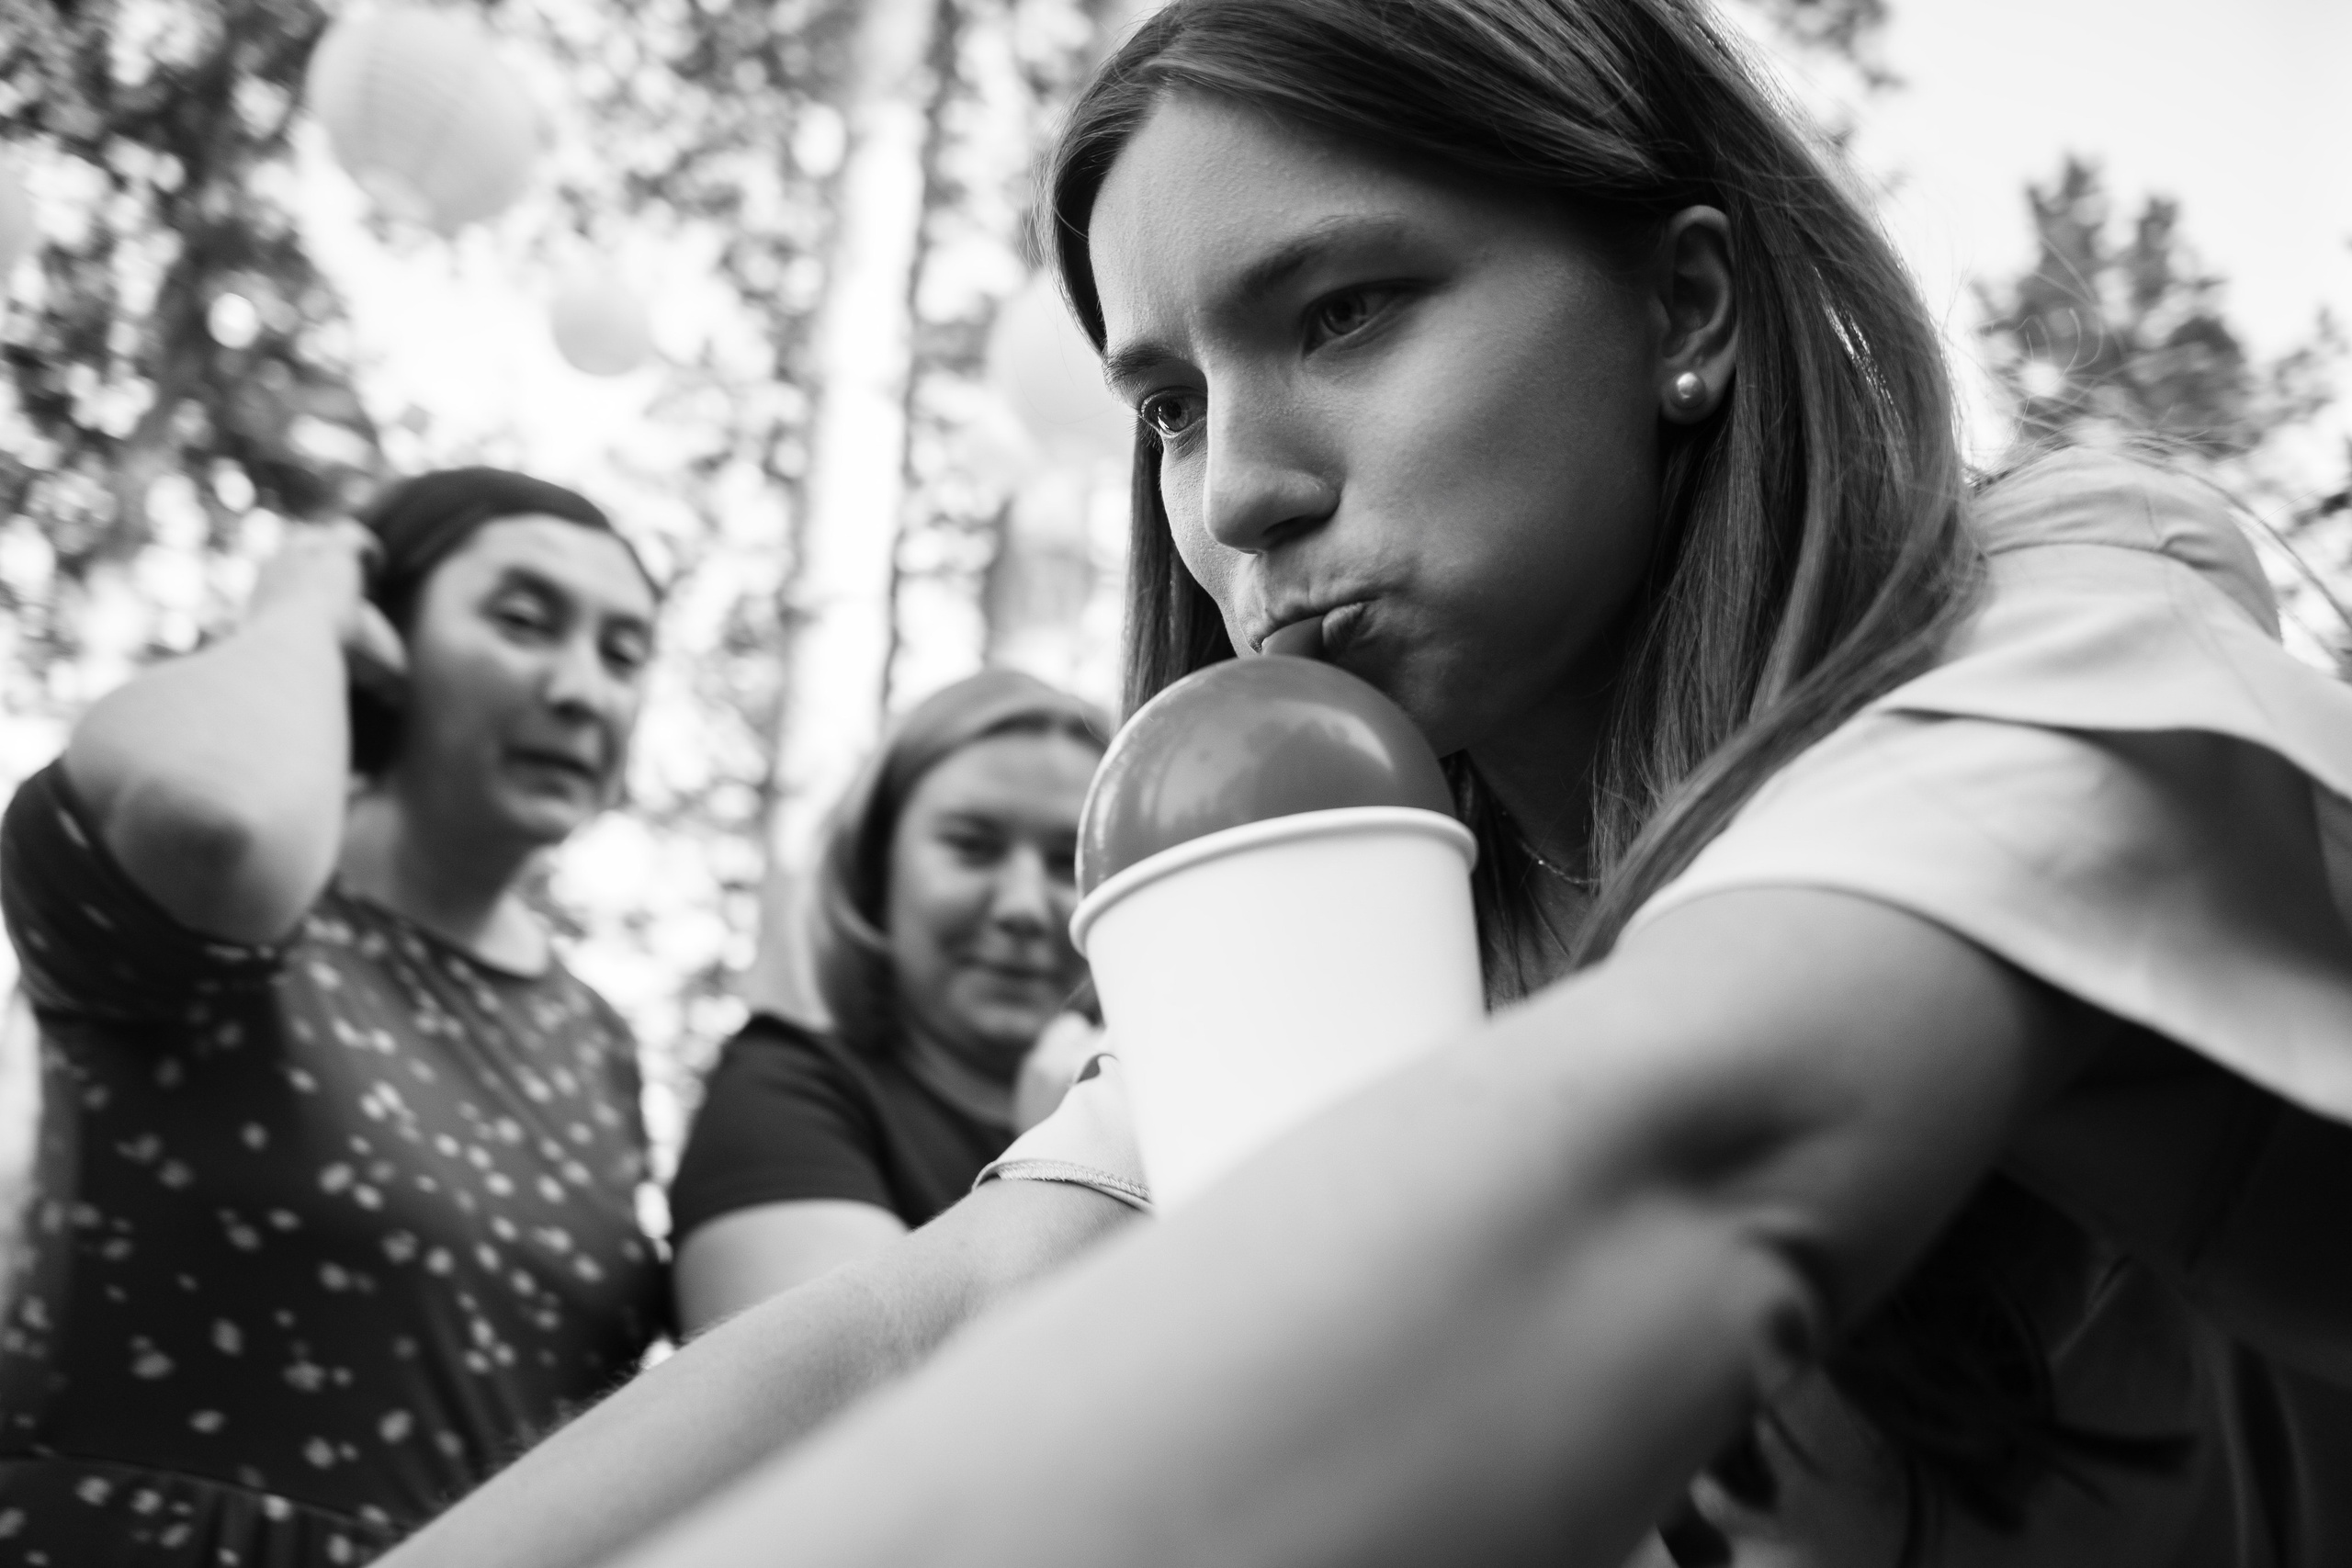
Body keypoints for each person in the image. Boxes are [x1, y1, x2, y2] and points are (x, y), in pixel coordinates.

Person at [531, 1, 2350, 1565]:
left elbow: (1673, 1160)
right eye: (1165, 401)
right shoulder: (1374, 894)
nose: (1232, 489)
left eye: (1340, 311)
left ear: (1684, 307)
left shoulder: (2063, 610)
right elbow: (910, 1334)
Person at [0, 468, 667, 1566]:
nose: (582, 690)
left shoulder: (596, 1039)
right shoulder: (238, 916)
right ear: (385, 641)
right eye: (521, 622)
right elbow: (207, 817)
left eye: (624, 654)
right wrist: (302, 606)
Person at [665, 671, 1109, 1333]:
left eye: (1063, 860)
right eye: (972, 846)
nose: (1022, 906)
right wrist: (1065, 1176)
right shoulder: (787, 1092)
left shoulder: (1153, 1105)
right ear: (877, 869)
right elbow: (848, 1413)